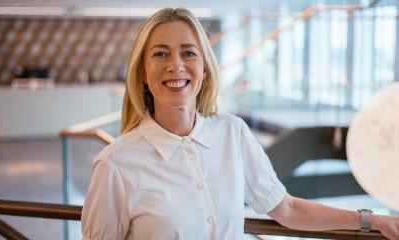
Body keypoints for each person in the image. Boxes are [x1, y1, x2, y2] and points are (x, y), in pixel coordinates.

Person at [81, 8, 399, 240]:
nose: (175, 66)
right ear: (142, 75)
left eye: (188, 53)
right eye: (160, 54)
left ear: (204, 69)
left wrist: (370, 221)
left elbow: (287, 209)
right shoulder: (116, 164)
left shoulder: (232, 133)